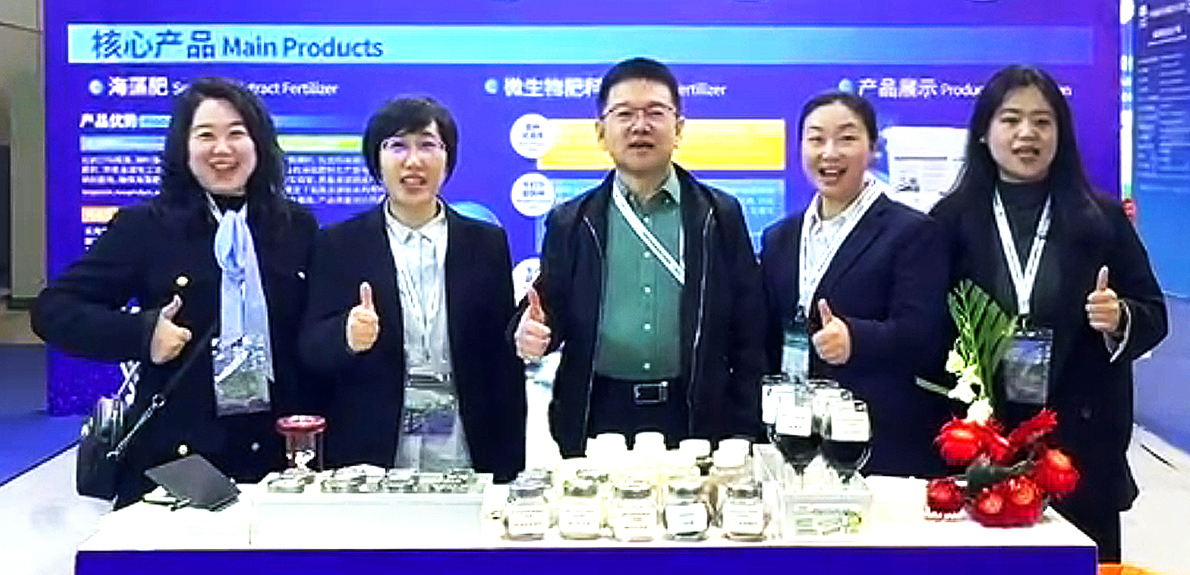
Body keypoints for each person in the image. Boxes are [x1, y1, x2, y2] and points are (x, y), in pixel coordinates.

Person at [32, 78, 319, 508]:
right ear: (183, 148)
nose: (222, 149)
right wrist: (142, 334)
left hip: (277, 459)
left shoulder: (295, 228)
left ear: (259, 143)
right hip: (176, 461)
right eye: (205, 135)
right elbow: (53, 310)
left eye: (236, 133)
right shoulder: (146, 227)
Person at [931, 65, 1167, 561]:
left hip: (1076, 447)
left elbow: (1153, 312)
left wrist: (1120, 317)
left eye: (1042, 122)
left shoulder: (1100, 218)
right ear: (984, 132)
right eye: (1010, 119)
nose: (1027, 134)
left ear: (1061, 134)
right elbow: (928, 329)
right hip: (981, 444)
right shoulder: (948, 221)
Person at [513, 57, 765, 454]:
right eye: (624, 114)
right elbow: (546, 312)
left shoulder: (719, 215)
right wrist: (529, 333)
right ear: (601, 133)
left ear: (679, 129)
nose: (640, 126)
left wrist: (746, 427)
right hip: (599, 414)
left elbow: (750, 330)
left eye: (655, 113)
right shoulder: (572, 221)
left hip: (696, 413)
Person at [300, 96, 525, 481]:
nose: (413, 160)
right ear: (377, 160)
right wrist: (346, 336)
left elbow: (500, 361)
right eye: (397, 146)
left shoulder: (485, 243)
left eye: (427, 145)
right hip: (373, 445)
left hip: (465, 441)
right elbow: (310, 346)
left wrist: (509, 463)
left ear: (448, 159)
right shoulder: (339, 244)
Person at [760, 91, 952, 477]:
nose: (829, 153)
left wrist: (856, 339)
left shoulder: (911, 232)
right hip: (793, 434)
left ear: (873, 148)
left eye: (846, 138)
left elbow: (926, 336)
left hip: (876, 440)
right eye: (816, 139)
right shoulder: (780, 237)